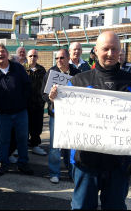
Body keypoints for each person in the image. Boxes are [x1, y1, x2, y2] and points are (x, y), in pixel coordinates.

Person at [48, 31, 131, 209]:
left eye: (114, 49)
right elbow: (60, 113)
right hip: (86, 161)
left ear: (120, 51)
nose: (110, 54)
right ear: (96, 50)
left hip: (119, 164)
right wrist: (55, 101)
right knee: (81, 207)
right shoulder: (79, 81)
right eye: (106, 49)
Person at [0, 43, 33, 176]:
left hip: (20, 112)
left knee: (22, 139)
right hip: (3, 114)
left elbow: (27, 86)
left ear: (7, 54)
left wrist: (23, 102)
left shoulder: (18, 68)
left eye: (3, 52)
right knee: (2, 140)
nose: (0, 54)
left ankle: (23, 163)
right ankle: (3, 163)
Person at [42, 48, 80, 184]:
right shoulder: (51, 73)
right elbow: (43, 94)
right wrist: (50, 98)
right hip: (56, 115)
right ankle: (54, 173)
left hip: (72, 116)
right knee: (54, 146)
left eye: (62, 58)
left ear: (68, 58)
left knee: (71, 145)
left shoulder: (77, 73)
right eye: (57, 58)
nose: (59, 61)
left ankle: (73, 173)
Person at [24, 49, 47, 156]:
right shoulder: (22, 68)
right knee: (24, 127)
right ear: (27, 57)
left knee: (37, 126)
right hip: (25, 104)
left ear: (37, 57)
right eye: (31, 56)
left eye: (35, 56)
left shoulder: (42, 70)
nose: (33, 58)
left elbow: (46, 85)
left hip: (38, 103)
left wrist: (43, 100)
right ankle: (22, 146)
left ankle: (35, 145)